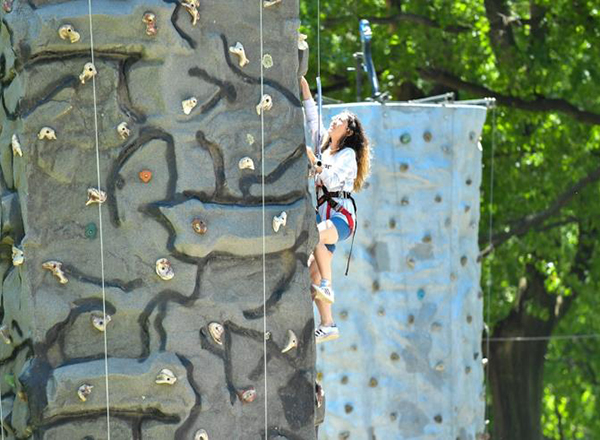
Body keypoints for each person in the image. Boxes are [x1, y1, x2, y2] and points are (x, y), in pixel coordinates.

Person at [300, 76, 371, 343]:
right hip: (324, 216)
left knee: (316, 236)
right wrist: (301, 81)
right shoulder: (324, 147)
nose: (333, 122)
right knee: (310, 276)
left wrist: (316, 163)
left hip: (340, 217)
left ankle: (328, 285)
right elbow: (311, 114)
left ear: (349, 132)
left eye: (339, 121)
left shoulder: (347, 156)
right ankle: (328, 323)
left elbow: (329, 179)